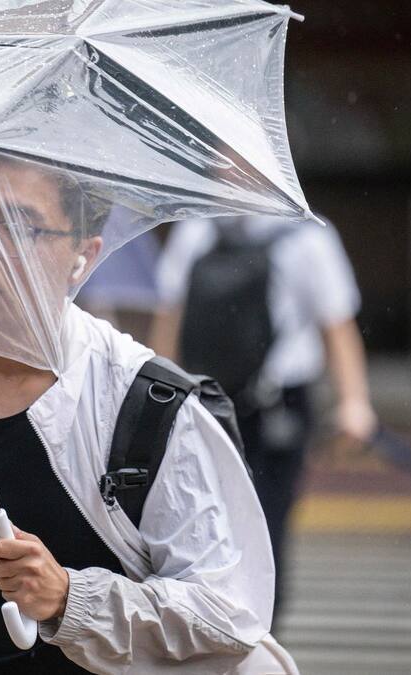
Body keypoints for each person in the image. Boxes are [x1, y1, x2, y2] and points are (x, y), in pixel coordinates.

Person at [0, 150, 296, 674]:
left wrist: (71, 600)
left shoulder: (148, 409)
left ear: (83, 254)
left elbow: (226, 617)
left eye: (19, 228)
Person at [153, 214, 377, 614]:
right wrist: (354, 403)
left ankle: (233, 623)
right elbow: (338, 326)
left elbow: (168, 320)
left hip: (212, 403)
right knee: (259, 525)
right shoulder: (306, 235)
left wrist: (156, 391)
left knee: (210, 523)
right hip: (267, 406)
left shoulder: (197, 231)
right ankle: (252, 625)